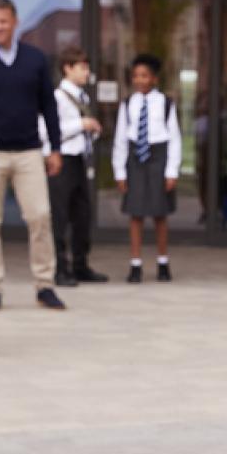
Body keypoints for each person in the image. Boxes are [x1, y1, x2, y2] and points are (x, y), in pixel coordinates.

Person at [0, 0, 65, 312]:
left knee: (40, 217)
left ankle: (45, 285)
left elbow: (49, 106)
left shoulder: (35, 59)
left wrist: (56, 148)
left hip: (28, 153)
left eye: (3, 21)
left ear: (14, 21)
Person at [117, 54, 182, 283]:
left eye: (144, 76)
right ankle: (135, 264)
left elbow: (174, 138)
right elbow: (121, 139)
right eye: (135, 76)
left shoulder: (165, 103)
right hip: (135, 159)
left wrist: (172, 170)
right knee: (135, 214)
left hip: (158, 158)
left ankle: (163, 262)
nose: (139, 80)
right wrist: (120, 171)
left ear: (154, 78)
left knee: (159, 214)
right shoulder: (127, 104)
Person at [46, 46, 107, 285]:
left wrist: (91, 130)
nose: (87, 72)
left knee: (82, 215)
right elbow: (47, 132)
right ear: (67, 69)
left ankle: (81, 265)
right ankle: (60, 268)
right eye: (82, 67)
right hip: (62, 160)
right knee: (60, 216)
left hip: (80, 158)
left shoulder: (83, 96)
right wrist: (81, 124)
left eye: (87, 67)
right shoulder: (57, 98)